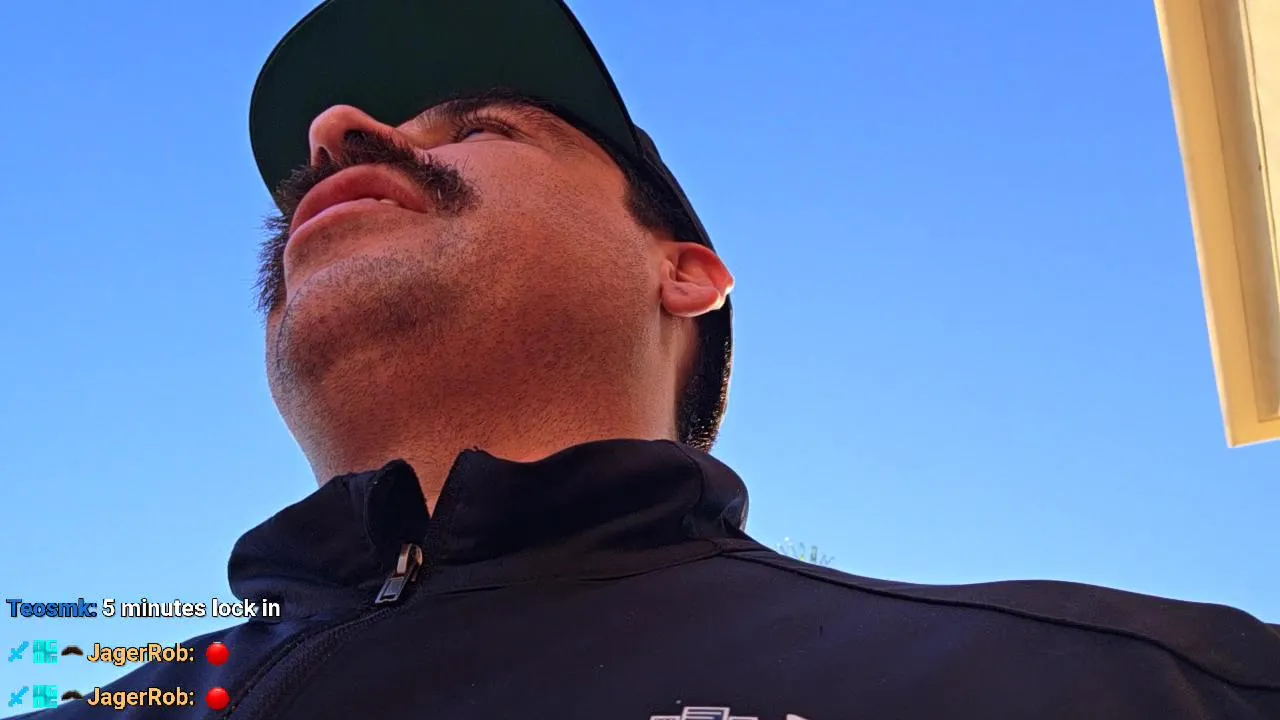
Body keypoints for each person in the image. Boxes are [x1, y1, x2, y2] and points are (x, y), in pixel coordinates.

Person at [25, 0, 1280, 718]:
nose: (335, 131)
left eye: (479, 129)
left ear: (683, 272)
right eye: (335, 149)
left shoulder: (1149, 689)